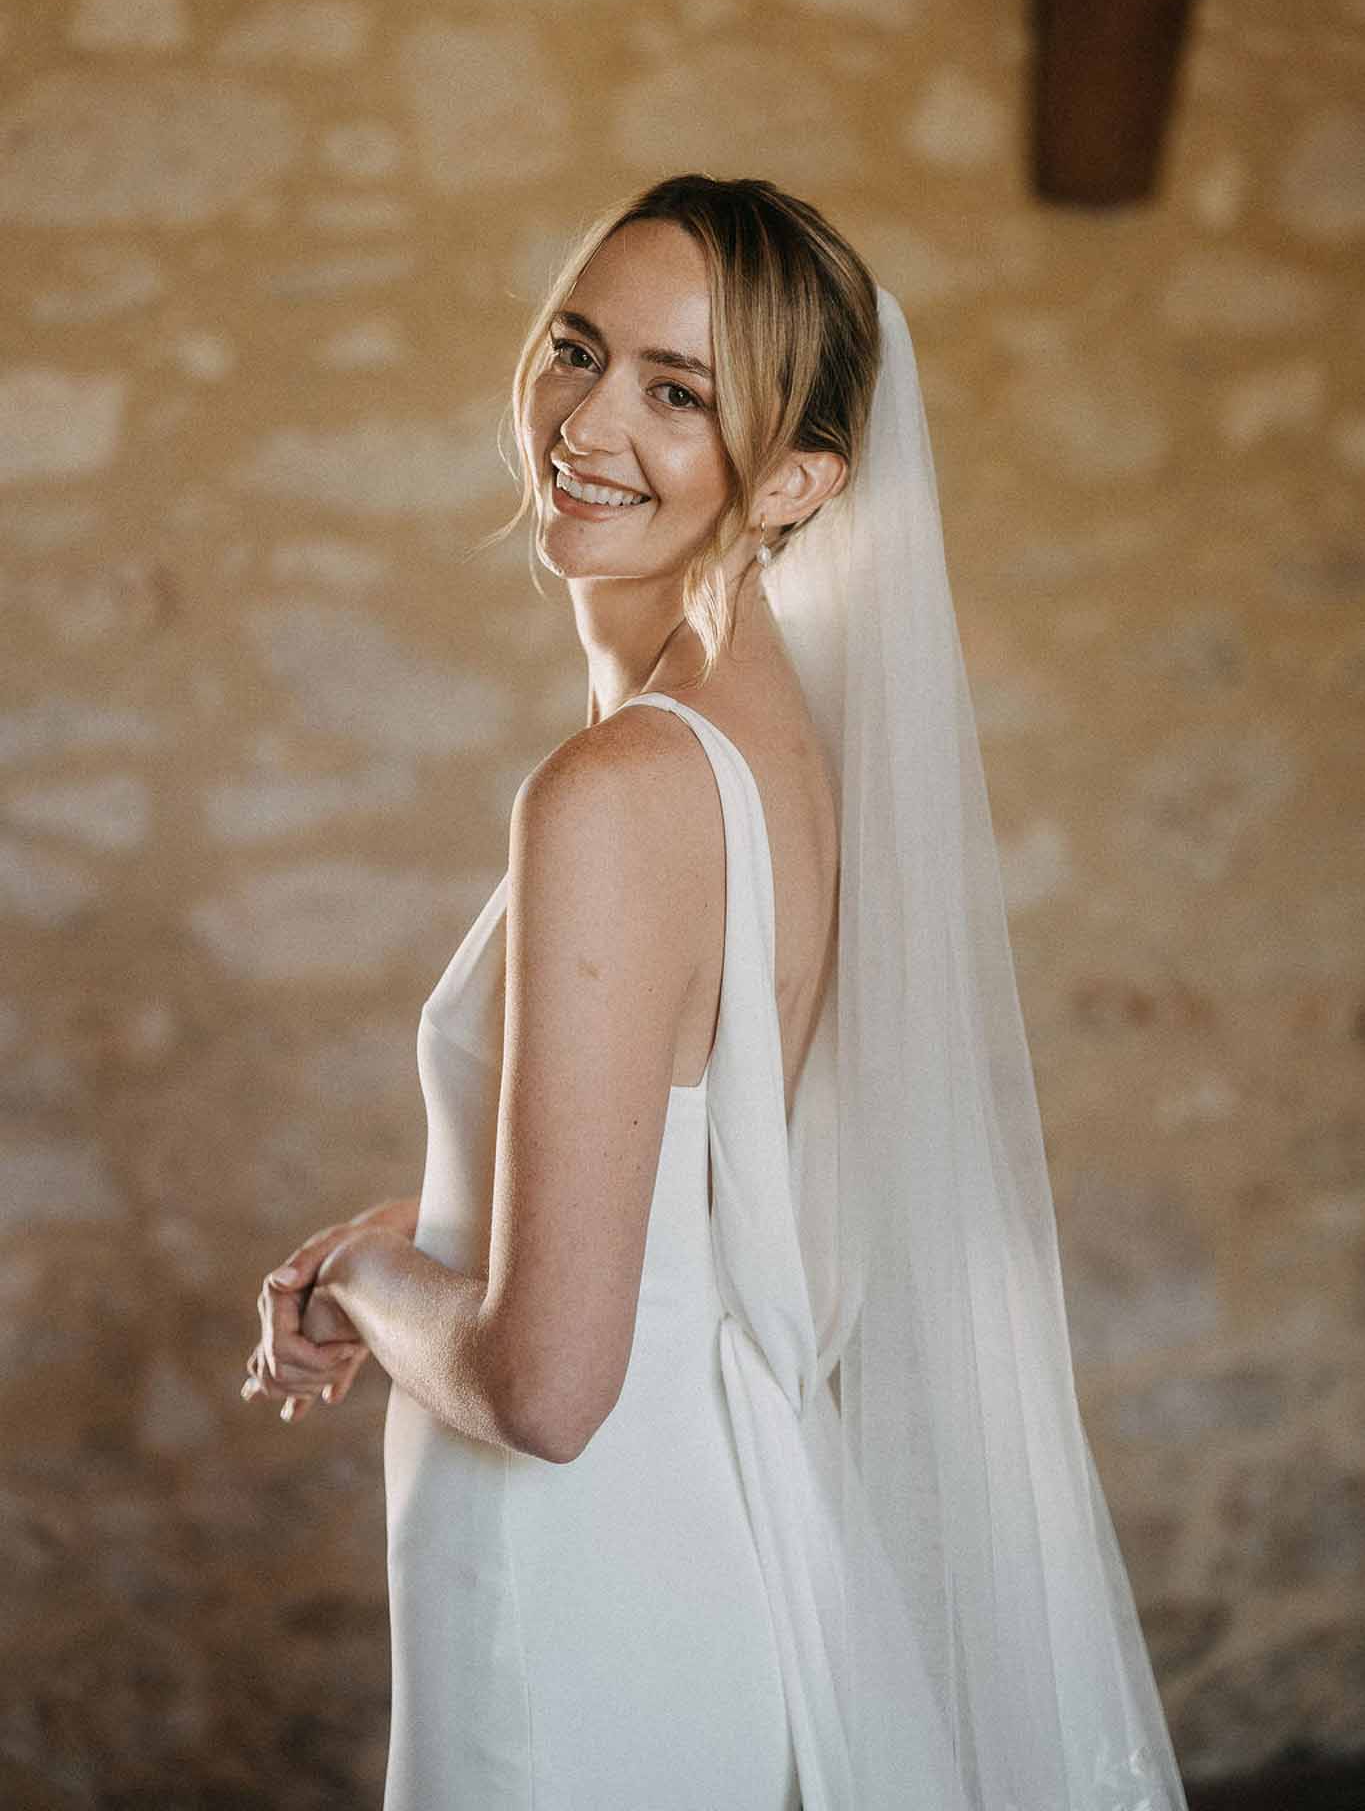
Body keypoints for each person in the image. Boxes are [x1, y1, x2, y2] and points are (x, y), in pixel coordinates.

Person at [242, 175, 1189, 1811]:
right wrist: (430, 1223)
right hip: (692, 1542)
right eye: (577, 350)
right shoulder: (778, 758)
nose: (588, 420)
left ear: (798, 480)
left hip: (572, 1579)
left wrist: (381, 1280)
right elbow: (693, 1186)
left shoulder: (614, 792)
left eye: (678, 392)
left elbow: (543, 1389)